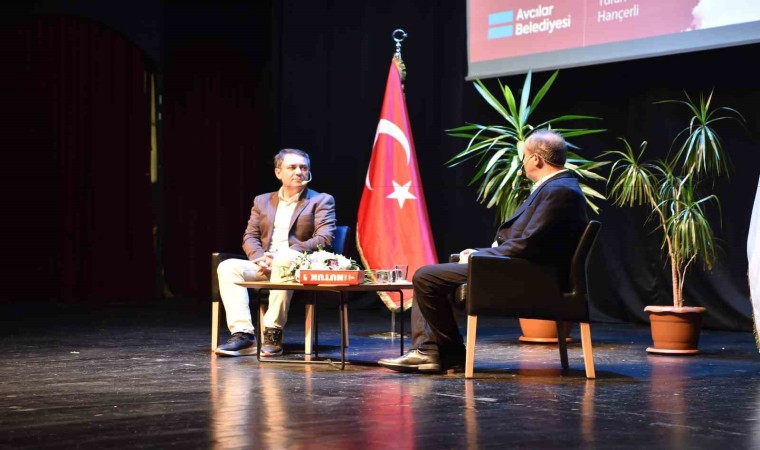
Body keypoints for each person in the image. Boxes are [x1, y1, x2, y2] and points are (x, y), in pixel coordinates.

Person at [378, 129, 588, 373]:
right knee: (438, 276)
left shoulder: (559, 191)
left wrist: (481, 256)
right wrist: (479, 252)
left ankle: (432, 352)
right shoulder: (556, 188)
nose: (523, 163)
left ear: (536, 159)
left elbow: (528, 245)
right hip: (525, 269)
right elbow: (529, 242)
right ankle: (440, 353)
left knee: (426, 276)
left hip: (532, 278)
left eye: (523, 157)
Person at [215, 148, 336, 357]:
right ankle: (244, 335)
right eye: (292, 167)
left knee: (284, 259)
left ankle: (273, 332)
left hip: (297, 266)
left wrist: (282, 255)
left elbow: (325, 238)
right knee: (227, 267)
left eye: (303, 167)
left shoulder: (321, 200)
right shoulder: (262, 201)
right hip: (265, 264)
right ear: (278, 172)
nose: (299, 172)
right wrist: (259, 258)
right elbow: (250, 236)